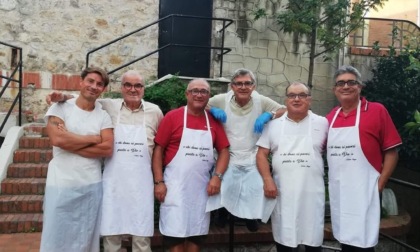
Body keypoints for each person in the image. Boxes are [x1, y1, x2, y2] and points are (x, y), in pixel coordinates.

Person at [46, 70, 164, 252]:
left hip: (141, 183)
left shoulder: (155, 112)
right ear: (121, 88)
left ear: (144, 89)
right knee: (111, 236)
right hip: (113, 184)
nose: (133, 89)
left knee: (141, 238)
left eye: (138, 85)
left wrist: (158, 181)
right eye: (128, 85)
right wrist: (63, 96)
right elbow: (85, 97)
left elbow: (159, 148)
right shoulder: (108, 106)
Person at [326, 65, 402, 252]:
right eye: (341, 83)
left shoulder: (376, 110)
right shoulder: (330, 117)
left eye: (351, 82)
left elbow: (392, 152)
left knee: (364, 242)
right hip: (340, 190)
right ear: (335, 89)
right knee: (345, 238)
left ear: (360, 87)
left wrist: (380, 184)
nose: (346, 86)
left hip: (366, 188)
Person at [40, 67, 114, 252]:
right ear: (81, 82)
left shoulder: (103, 115)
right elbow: (57, 139)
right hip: (61, 183)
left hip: (91, 184)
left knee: (85, 238)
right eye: (90, 81)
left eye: (99, 84)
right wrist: (93, 139)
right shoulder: (60, 107)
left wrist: (70, 141)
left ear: (103, 89)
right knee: (55, 236)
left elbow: (107, 148)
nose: (94, 86)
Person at [152, 78, 230, 252]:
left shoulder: (213, 121)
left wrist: (217, 177)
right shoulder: (173, 116)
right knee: (174, 238)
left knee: (197, 236)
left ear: (209, 96)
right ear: (187, 94)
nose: (199, 94)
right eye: (195, 90)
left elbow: (224, 150)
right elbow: (158, 149)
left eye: (203, 91)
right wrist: (158, 181)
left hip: (202, 190)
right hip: (174, 188)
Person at [206, 68, 286, 231]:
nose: (243, 87)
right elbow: (201, 103)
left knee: (256, 185)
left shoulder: (260, 100)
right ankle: (222, 212)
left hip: (252, 153)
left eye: (247, 83)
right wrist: (213, 109)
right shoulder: (222, 99)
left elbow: (284, 110)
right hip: (228, 153)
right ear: (232, 86)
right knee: (226, 183)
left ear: (254, 86)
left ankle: (251, 216)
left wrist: (269, 115)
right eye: (239, 84)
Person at [256, 82, 328, 252]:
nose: (297, 99)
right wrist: (267, 180)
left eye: (302, 95)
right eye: (292, 95)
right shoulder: (273, 125)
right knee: (285, 242)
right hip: (283, 194)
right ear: (286, 100)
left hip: (312, 195)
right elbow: (261, 154)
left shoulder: (323, 123)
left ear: (309, 99)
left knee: (313, 243)